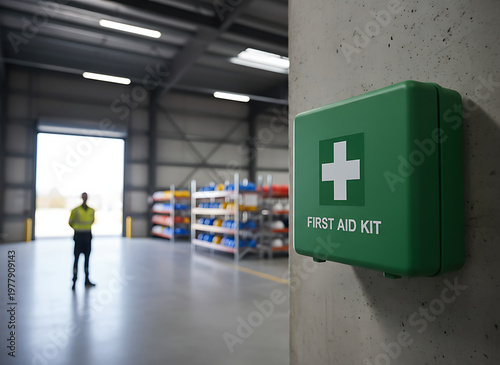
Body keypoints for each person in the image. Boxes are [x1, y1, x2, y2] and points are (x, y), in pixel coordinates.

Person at [69, 192, 96, 290]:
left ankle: (87, 280)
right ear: (81, 198)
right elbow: (70, 222)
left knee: (87, 260)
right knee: (76, 259)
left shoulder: (92, 211)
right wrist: (77, 228)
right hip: (79, 237)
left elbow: (92, 221)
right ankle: (74, 280)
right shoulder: (75, 210)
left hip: (87, 236)